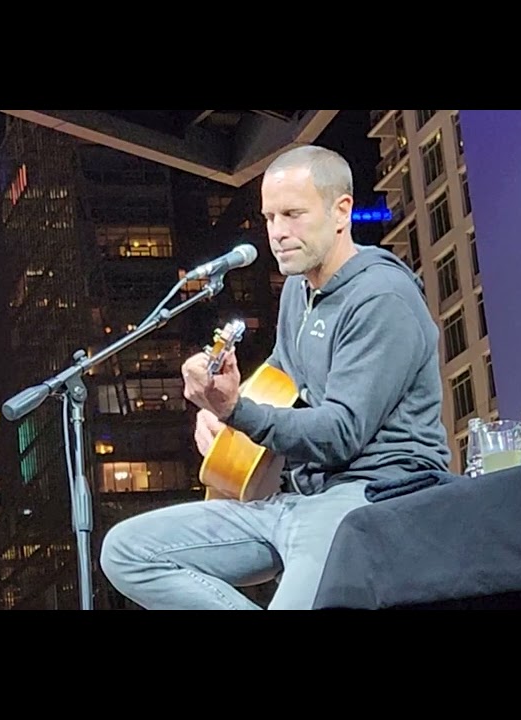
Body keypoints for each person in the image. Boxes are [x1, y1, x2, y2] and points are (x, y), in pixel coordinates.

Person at [99, 144, 451, 610]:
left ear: (341, 210)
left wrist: (236, 411)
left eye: (292, 214)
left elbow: (341, 432)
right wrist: (219, 411)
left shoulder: (382, 298)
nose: (277, 232)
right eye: (269, 217)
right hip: (296, 500)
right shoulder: (297, 292)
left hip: (373, 495)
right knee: (127, 550)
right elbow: (279, 381)